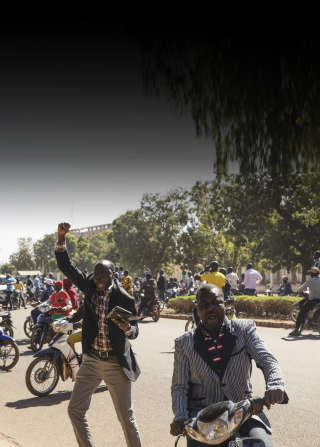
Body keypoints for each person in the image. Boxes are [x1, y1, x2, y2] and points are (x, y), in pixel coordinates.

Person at [55, 222, 141, 447]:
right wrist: (61, 238)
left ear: (114, 275)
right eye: (97, 272)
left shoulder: (125, 299)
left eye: (104, 272)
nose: (100, 276)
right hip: (91, 361)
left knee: (126, 418)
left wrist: (127, 328)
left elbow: (135, 332)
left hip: (115, 363)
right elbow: (68, 267)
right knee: (75, 410)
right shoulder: (90, 287)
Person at [170, 283, 287, 447]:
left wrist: (276, 384)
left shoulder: (244, 330)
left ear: (225, 304)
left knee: (263, 444)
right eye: (204, 305)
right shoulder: (184, 343)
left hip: (244, 411)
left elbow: (267, 360)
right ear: (197, 310)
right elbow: (179, 387)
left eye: (216, 303)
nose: (210, 309)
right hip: (204, 418)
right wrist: (180, 416)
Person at [289, 266, 320, 336]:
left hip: (314, 301)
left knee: (301, 313)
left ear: (311, 274)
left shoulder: (311, 280)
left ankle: (296, 330)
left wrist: (300, 291)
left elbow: (300, 289)